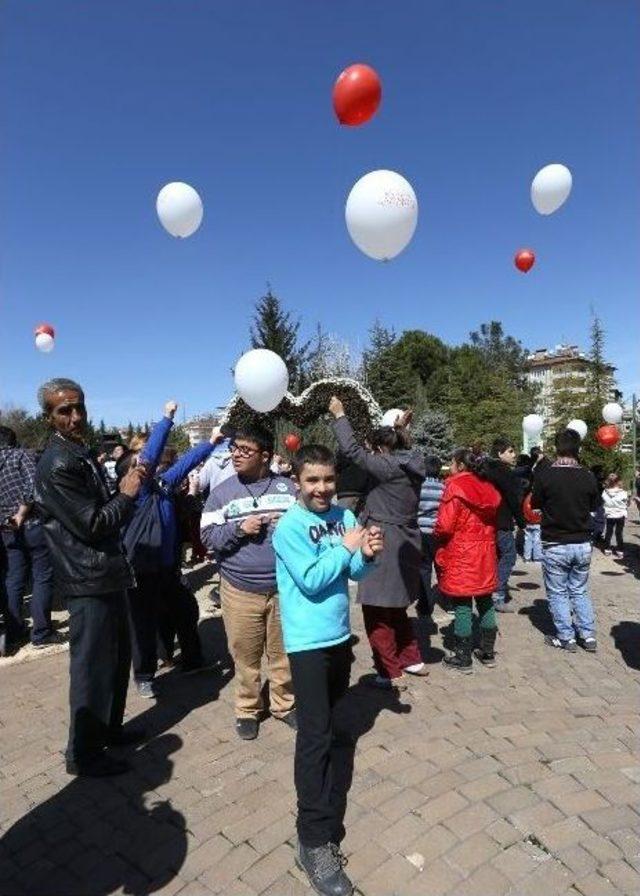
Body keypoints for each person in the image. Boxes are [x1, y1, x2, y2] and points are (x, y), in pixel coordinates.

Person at [273, 444, 383, 896]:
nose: (322, 489)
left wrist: (368, 552)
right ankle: (313, 840)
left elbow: (353, 571)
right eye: (312, 480)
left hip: (339, 637)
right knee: (314, 738)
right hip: (307, 644)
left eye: (328, 480)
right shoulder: (290, 527)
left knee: (332, 725)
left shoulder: (343, 517)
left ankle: (321, 803)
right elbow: (313, 580)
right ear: (297, 482)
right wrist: (348, 549)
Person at [34, 378, 146, 777]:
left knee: (116, 660)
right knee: (92, 667)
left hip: (105, 573)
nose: (75, 416)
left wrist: (121, 487)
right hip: (86, 578)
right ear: (49, 417)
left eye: (78, 407)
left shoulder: (78, 452)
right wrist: (129, 493)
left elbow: (98, 507)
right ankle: (83, 753)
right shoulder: (58, 462)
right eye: (64, 411)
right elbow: (94, 523)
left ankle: (109, 731)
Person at [200, 424, 297, 739]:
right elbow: (208, 537)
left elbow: (310, 524)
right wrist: (240, 529)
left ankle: (284, 705)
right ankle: (248, 708)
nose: (236, 455)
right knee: (245, 654)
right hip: (240, 590)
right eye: (234, 449)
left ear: (265, 456)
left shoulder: (288, 489)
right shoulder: (221, 493)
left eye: (245, 450)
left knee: (283, 653)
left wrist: (292, 524)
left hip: (284, 589)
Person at [119, 402, 219, 698]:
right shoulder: (136, 492)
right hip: (142, 569)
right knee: (143, 623)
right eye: (139, 465)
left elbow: (186, 463)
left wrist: (211, 443)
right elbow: (150, 455)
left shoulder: (161, 485)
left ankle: (192, 660)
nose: (147, 465)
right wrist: (167, 419)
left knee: (185, 610)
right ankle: (144, 676)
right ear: (129, 476)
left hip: (168, 567)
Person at [328, 397, 428, 689]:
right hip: (406, 537)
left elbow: (351, 450)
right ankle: (412, 659)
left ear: (382, 448)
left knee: (375, 607)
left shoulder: (387, 466)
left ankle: (388, 670)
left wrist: (340, 415)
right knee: (396, 606)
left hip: (383, 538)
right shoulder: (411, 461)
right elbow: (395, 447)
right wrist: (398, 428)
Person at [531, 428, 601, 652]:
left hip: (556, 543)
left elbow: (535, 504)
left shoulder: (546, 475)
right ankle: (588, 635)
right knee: (579, 589)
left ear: (556, 447)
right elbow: (595, 506)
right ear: (577, 448)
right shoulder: (588, 475)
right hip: (582, 543)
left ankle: (566, 637)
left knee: (558, 592)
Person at [434, 448, 501, 672]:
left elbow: (445, 524)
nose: (450, 467)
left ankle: (463, 657)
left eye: (452, 463)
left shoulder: (455, 486)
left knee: (462, 604)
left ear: (461, 465)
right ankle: (488, 651)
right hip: (485, 551)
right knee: (485, 600)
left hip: (461, 551)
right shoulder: (489, 487)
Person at [0, 426, 55, 651]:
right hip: (31, 523)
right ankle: (41, 632)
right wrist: (21, 513)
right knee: (42, 576)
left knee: (14, 579)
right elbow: (33, 486)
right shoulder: (22, 456)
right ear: (13, 440)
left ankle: (14, 631)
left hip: (5, 529)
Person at [481, 438, 526, 613]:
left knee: (496, 556)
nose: (514, 455)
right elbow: (513, 499)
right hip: (502, 521)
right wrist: (521, 521)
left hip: (488, 521)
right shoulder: (504, 472)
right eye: (510, 451)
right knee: (509, 555)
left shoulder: (485, 470)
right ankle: (497, 593)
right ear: (499, 454)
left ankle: (491, 590)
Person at [416, 455, 444, 616]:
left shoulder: (418, 487)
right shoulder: (443, 488)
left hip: (421, 532)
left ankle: (424, 606)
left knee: (424, 569)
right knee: (441, 567)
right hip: (437, 533)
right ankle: (447, 599)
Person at [601, 473, 628, 558]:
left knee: (608, 532)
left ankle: (607, 549)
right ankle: (620, 550)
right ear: (618, 481)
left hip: (609, 514)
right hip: (620, 514)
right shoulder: (623, 492)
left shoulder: (604, 492)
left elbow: (603, 502)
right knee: (619, 533)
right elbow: (626, 503)